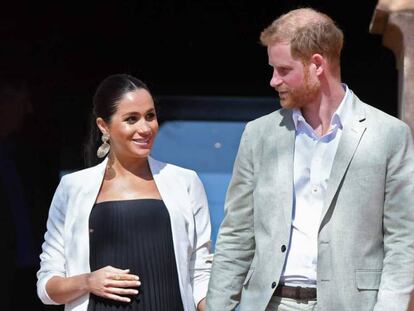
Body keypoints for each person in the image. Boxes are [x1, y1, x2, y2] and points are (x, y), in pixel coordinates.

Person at [206, 7, 414, 311]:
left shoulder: (388, 135)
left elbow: (403, 240)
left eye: (283, 70)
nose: (273, 81)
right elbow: (236, 233)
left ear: (317, 64)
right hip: (270, 304)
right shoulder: (259, 135)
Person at [36, 73, 212, 311]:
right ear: (103, 126)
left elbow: (200, 272)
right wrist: (88, 281)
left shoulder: (185, 182)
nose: (145, 128)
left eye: (150, 116)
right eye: (131, 119)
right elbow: (47, 286)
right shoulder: (73, 188)